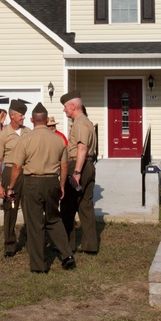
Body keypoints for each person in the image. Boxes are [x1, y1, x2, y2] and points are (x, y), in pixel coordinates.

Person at [7, 102, 76, 274]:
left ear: (32, 120)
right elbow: (65, 166)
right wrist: (61, 185)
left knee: (35, 223)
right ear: (46, 120)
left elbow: (16, 167)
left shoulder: (25, 140)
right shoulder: (58, 139)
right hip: (52, 181)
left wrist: (11, 186)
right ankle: (67, 255)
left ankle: (39, 265)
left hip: (32, 183)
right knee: (54, 219)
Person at [60, 90, 99, 254]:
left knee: (68, 206)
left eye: (65, 107)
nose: (64, 110)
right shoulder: (86, 122)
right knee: (85, 206)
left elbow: (82, 148)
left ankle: (67, 246)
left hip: (79, 165)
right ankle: (90, 246)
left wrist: (76, 172)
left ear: (74, 106)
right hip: (87, 165)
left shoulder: (80, 123)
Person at [0, 99, 29, 258]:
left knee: (30, 209)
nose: (23, 118)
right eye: (21, 115)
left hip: (27, 174)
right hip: (10, 175)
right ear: (13, 115)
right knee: (11, 209)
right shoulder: (3, 135)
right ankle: (9, 245)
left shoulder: (29, 132)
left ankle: (31, 242)